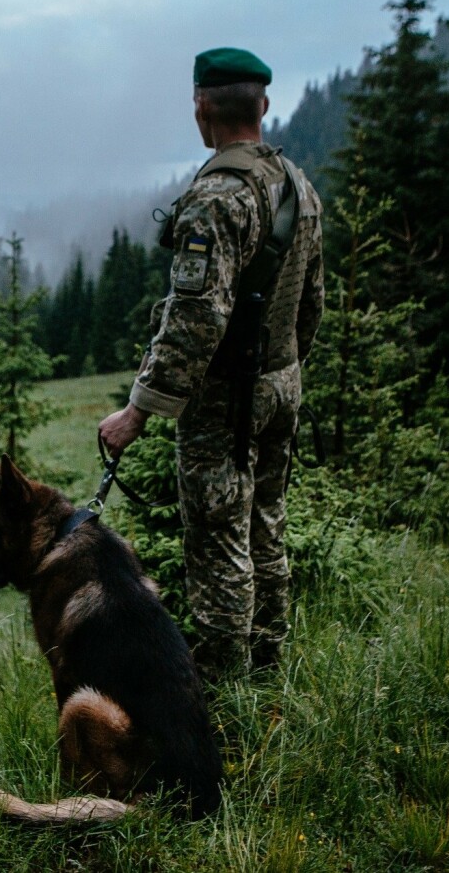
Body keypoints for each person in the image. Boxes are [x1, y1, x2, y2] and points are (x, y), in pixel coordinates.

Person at [98, 47, 324, 683]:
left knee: (221, 543)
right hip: (281, 384)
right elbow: (312, 303)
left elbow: (196, 319)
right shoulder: (298, 186)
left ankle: (227, 698)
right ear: (265, 105)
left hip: (226, 398)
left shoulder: (217, 198)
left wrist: (137, 413)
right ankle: (269, 675)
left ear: (202, 106)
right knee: (266, 530)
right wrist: (284, 372)